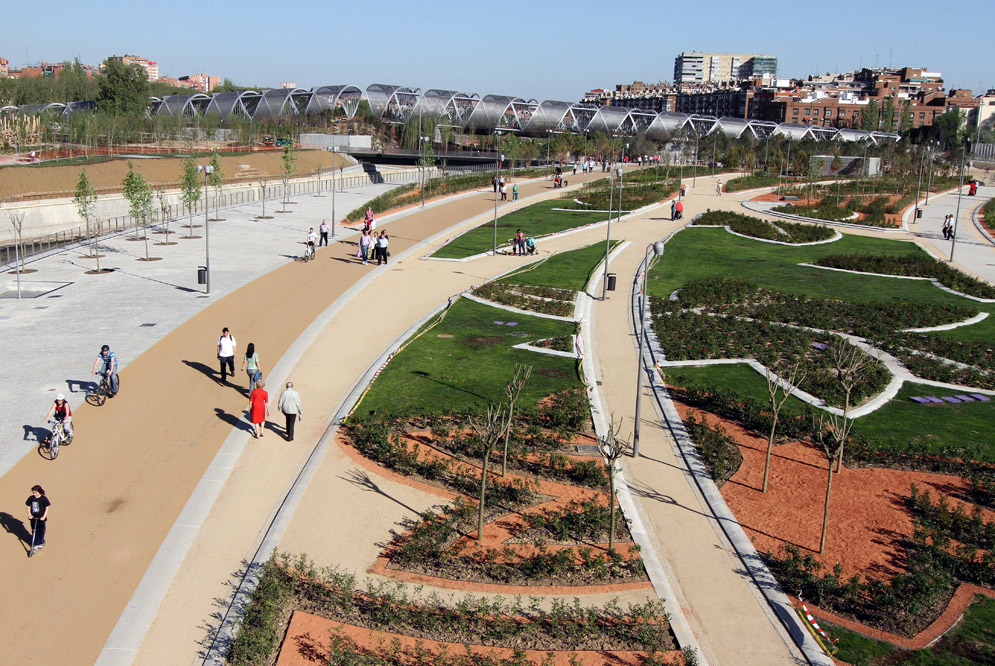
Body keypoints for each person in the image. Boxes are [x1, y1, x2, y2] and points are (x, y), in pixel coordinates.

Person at [25, 485, 50, 553]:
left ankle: (40, 542)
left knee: (41, 530)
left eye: (36, 492)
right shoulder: (31, 498)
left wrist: (44, 517)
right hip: (33, 518)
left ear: (39, 492)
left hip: (41, 518)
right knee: (34, 530)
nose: (34, 494)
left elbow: (47, 508)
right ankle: (36, 542)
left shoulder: (44, 499)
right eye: (33, 492)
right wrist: (29, 515)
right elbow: (27, 506)